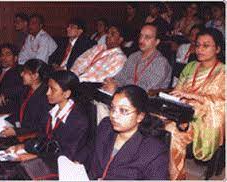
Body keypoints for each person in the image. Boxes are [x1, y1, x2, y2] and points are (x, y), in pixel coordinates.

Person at [166, 28, 225, 180]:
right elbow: (178, 91)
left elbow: (223, 103)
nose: (199, 49)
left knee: (174, 130)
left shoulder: (223, 72)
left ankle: (176, 177)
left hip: (205, 117)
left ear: (218, 48)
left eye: (206, 46)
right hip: (182, 111)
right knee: (150, 120)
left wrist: (195, 97)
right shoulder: (190, 66)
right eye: (197, 45)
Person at [88, 85, 169, 180]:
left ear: (140, 116)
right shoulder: (106, 127)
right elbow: (92, 163)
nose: (114, 115)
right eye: (112, 108)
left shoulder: (154, 151)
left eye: (124, 111)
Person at [103, 23, 172, 94]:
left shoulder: (161, 63)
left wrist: (117, 88)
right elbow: (121, 77)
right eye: (141, 36)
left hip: (145, 101)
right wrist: (111, 81)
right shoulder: (134, 56)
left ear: (157, 42)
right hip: (124, 94)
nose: (141, 40)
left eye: (147, 37)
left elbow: (145, 89)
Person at [0, 59, 51, 138]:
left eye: (25, 72)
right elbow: (11, 92)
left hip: (30, 137)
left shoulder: (45, 97)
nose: (21, 74)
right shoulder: (27, 89)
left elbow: (40, 127)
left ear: (35, 76)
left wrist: (16, 132)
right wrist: (6, 117)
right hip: (19, 128)